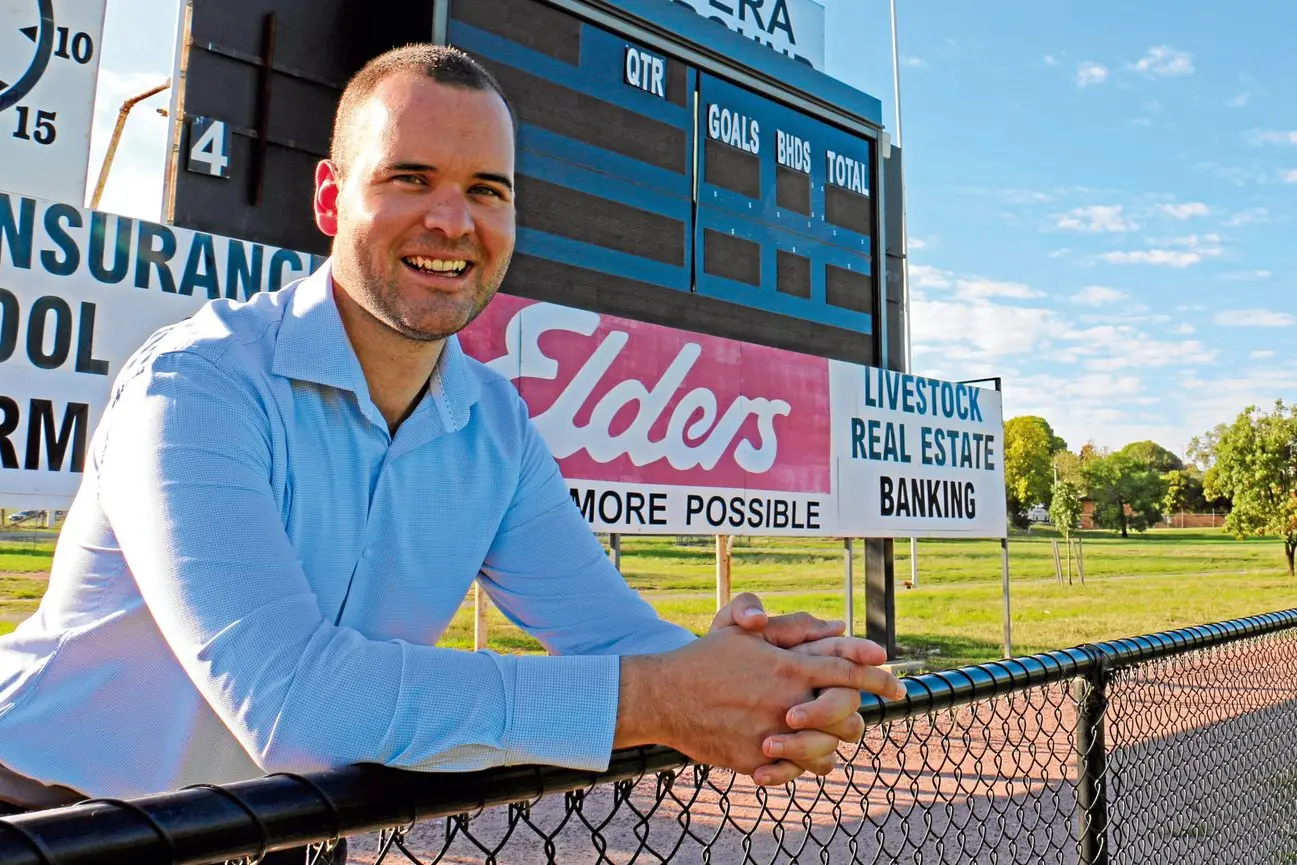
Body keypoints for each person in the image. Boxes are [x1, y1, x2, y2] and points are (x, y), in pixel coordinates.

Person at [0, 44, 904, 862]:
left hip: (280, 832)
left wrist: (773, 688)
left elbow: (615, 636)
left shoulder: (495, 424)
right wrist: (664, 697)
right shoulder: (198, 383)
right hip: (52, 824)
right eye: (409, 177)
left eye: (486, 190)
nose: (452, 220)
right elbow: (296, 703)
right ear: (330, 198)